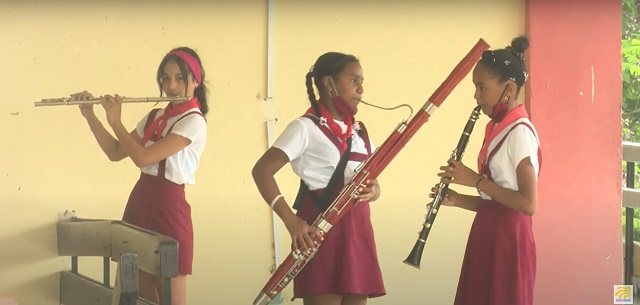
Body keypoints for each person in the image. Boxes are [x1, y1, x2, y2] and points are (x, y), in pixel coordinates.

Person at [73, 46, 208, 305]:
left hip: (170, 208)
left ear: (195, 80)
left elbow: (143, 157)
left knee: (170, 299)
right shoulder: (155, 116)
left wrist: (116, 122)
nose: (172, 86)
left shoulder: (194, 121)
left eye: (180, 78)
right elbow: (115, 152)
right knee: (142, 299)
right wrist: (90, 116)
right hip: (140, 202)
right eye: (165, 79)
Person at [252, 52, 385, 305]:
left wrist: (375, 190)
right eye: (354, 81)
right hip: (321, 231)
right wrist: (291, 221)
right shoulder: (305, 127)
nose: (361, 89)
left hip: (358, 231)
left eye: (362, 82)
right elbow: (262, 171)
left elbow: (371, 180)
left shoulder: (359, 132)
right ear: (329, 83)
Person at [430, 36, 541, 305]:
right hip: (488, 231)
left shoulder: (520, 133)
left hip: (509, 241)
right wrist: (457, 200)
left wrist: (475, 180)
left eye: (482, 88)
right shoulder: (496, 127)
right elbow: (496, 202)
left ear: (508, 89)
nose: (476, 96)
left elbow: (527, 204)